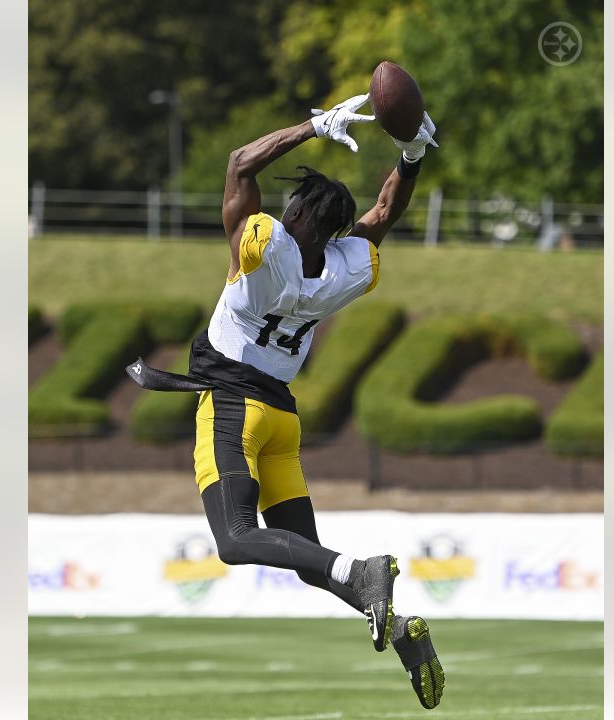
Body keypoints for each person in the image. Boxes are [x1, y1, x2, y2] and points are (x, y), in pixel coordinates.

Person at [127, 93, 443, 709]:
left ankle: (362, 571)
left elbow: (239, 163)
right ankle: (400, 627)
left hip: (233, 410)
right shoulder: (344, 268)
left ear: (295, 211)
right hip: (281, 421)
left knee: (236, 539)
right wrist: (411, 155)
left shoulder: (263, 244)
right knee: (308, 559)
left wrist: (313, 126)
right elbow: (383, 212)